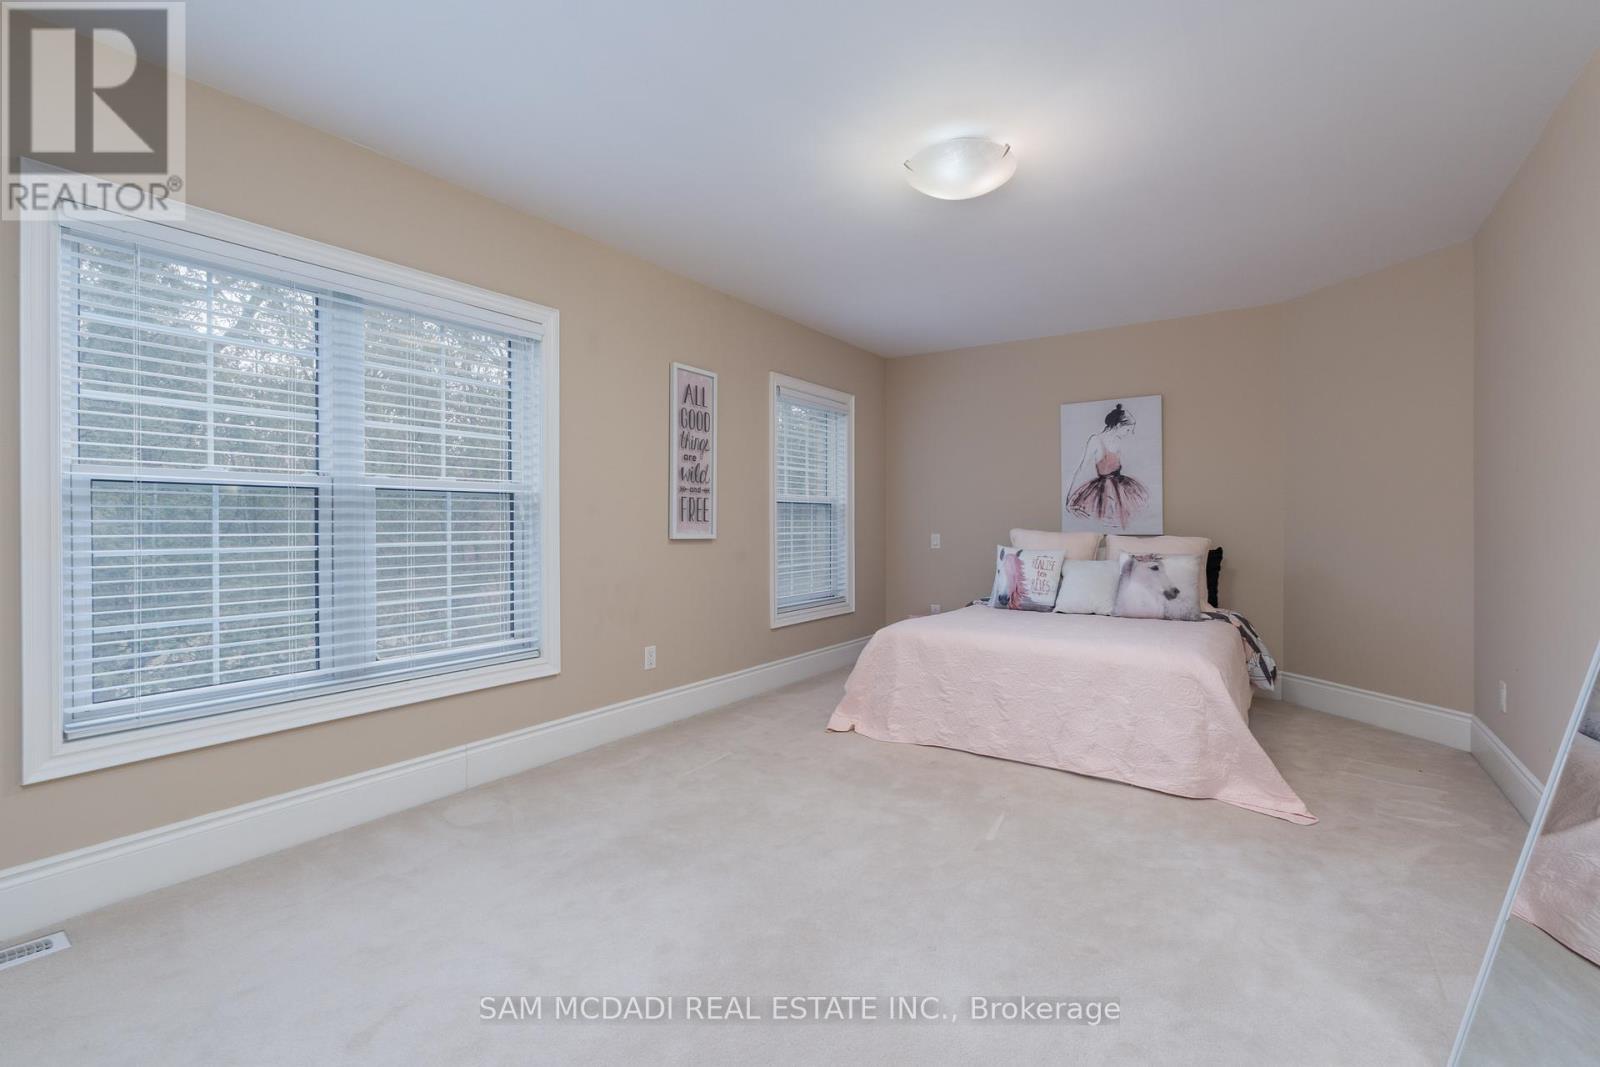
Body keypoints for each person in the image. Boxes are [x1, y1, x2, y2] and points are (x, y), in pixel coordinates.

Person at [1066, 403, 1149, 529]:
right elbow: (1082, 468)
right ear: (1118, 425)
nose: (1130, 433)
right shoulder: (1096, 440)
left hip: (1122, 488)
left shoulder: (1117, 441)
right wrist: (1069, 498)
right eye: (1128, 429)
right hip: (1104, 491)